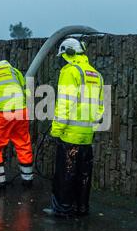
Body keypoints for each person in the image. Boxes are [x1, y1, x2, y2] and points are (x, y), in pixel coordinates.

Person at [44, 38, 104, 217]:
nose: (61, 60)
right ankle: (81, 208)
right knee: (83, 175)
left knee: (66, 174)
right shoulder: (95, 73)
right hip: (87, 135)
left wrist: (56, 130)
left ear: (68, 53)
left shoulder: (70, 71)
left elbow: (65, 104)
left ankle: (63, 209)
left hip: (70, 135)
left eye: (62, 56)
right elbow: (100, 107)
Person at [0, 60, 33, 190]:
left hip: (0, 115)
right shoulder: (14, 72)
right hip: (21, 111)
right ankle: (27, 179)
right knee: (23, 143)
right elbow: (23, 88)